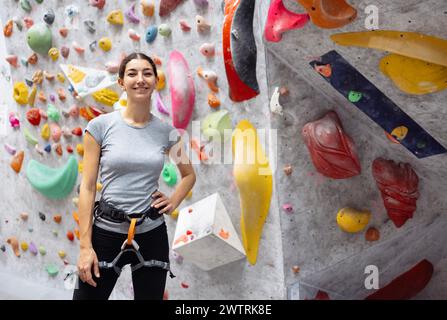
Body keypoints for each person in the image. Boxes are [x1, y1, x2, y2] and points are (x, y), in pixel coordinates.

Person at [73, 52, 196, 300]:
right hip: (105, 234)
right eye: (132, 73)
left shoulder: (166, 132)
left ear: (155, 80)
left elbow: (189, 175)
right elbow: (87, 188)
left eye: (147, 73)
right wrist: (85, 247)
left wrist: (173, 202)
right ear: (121, 82)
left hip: (151, 234)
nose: (140, 79)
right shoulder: (99, 126)